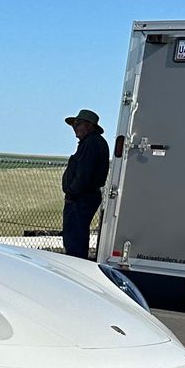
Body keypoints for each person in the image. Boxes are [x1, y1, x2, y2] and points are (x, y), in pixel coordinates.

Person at [61, 108, 109, 259]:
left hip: (82, 197)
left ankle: (75, 264)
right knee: (76, 234)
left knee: (75, 237)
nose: (74, 128)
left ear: (89, 126)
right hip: (84, 195)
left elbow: (84, 173)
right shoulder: (92, 143)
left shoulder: (91, 143)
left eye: (77, 124)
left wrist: (72, 193)